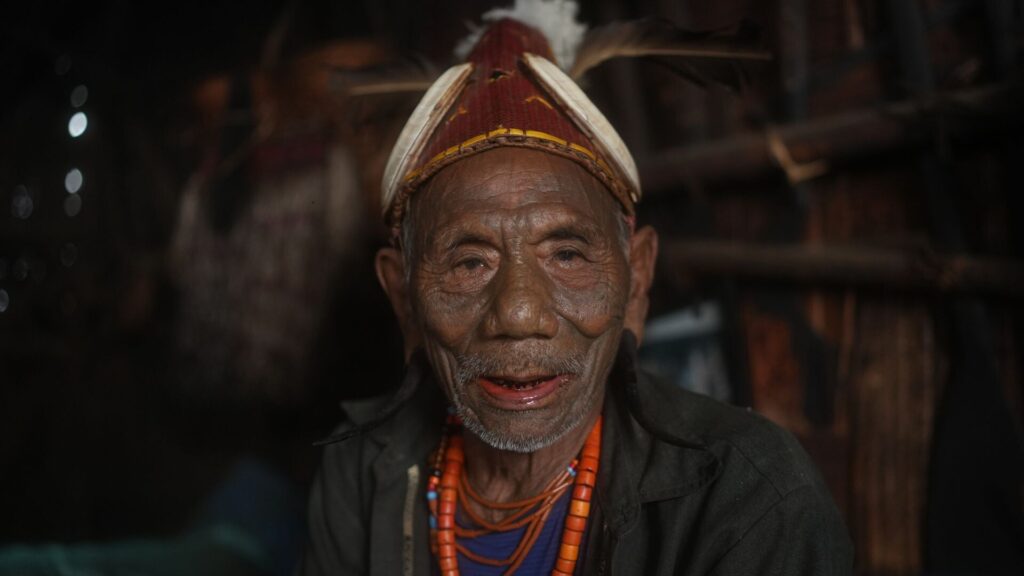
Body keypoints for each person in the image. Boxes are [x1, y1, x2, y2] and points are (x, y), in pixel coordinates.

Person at [299, 7, 853, 576]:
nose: (518, 313)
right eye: (468, 263)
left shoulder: (752, 501)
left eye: (566, 255)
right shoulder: (360, 470)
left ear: (636, 278)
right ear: (401, 296)